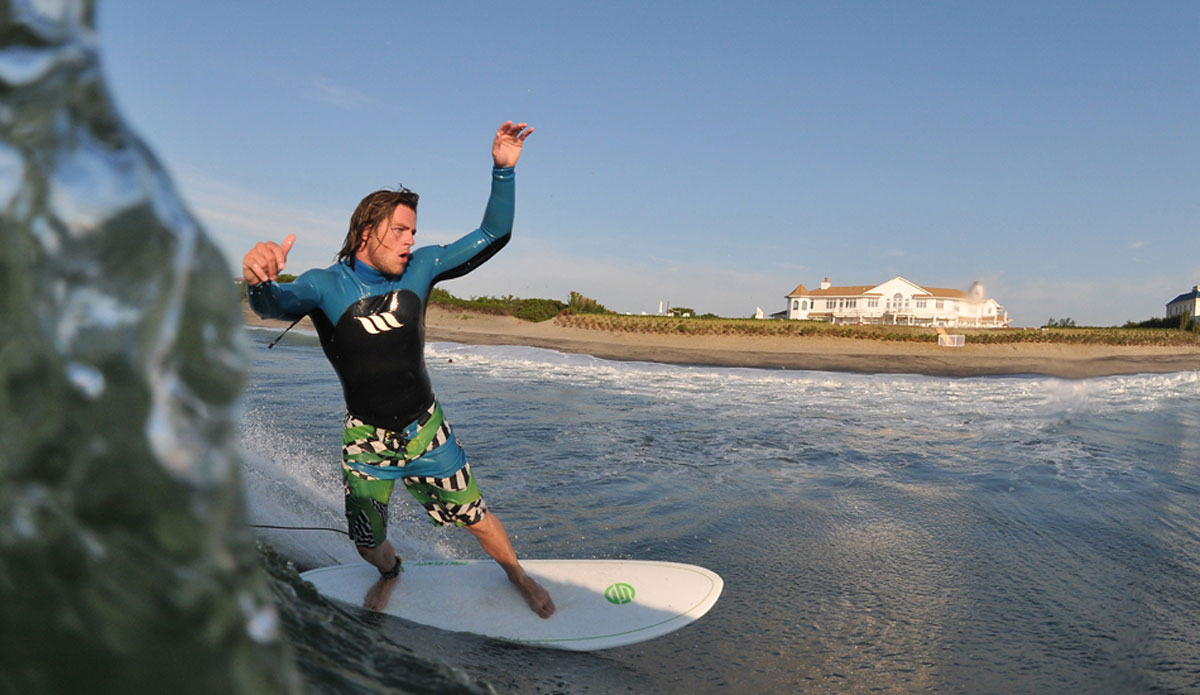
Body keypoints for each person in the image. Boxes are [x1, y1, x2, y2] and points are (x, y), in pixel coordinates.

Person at [242, 121, 554, 618]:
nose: (410, 241)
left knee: (476, 518)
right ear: (367, 233)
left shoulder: (422, 267)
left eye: (413, 232)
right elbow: (272, 305)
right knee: (367, 543)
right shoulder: (325, 285)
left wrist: (503, 170)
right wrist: (259, 281)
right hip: (366, 439)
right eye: (400, 231)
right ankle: (391, 572)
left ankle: (518, 574)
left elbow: (493, 234)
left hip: (425, 428)